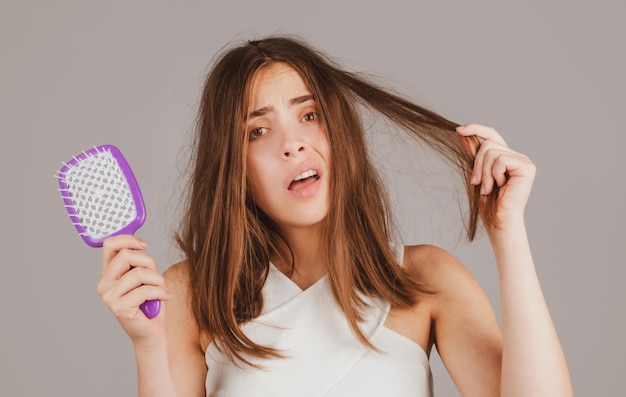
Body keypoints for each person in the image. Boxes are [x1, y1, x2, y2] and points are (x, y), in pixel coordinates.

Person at [97, 35, 573, 396]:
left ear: (340, 131)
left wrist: (508, 234)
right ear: (232, 168)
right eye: (257, 130)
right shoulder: (191, 294)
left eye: (309, 115)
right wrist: (147, 345)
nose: (293, 143)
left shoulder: (426, 279)